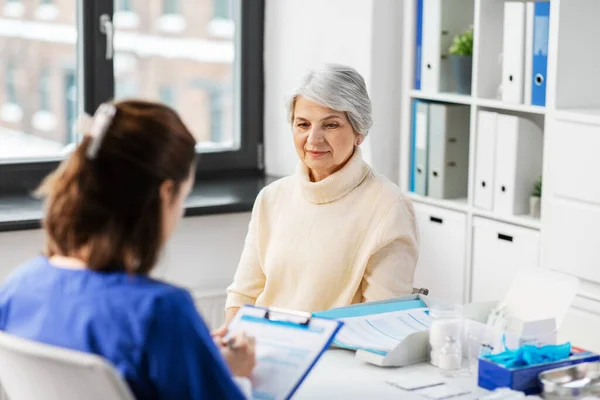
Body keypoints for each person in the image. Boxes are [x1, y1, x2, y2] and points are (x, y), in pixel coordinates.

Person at [0, 100, 255, 399]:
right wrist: (231, 371)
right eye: (183, 197)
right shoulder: (161, 313)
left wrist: (204, 362)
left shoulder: (18, 288)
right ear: (165, 192)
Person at [224, 63, 419, 324]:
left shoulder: (389, 207)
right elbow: (243, 296)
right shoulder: (272, 198)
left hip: (333, 358)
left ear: (358, 132)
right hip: (263, 351)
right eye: (303, 124)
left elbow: (380, 323)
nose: (313, 139)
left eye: (331, 125)